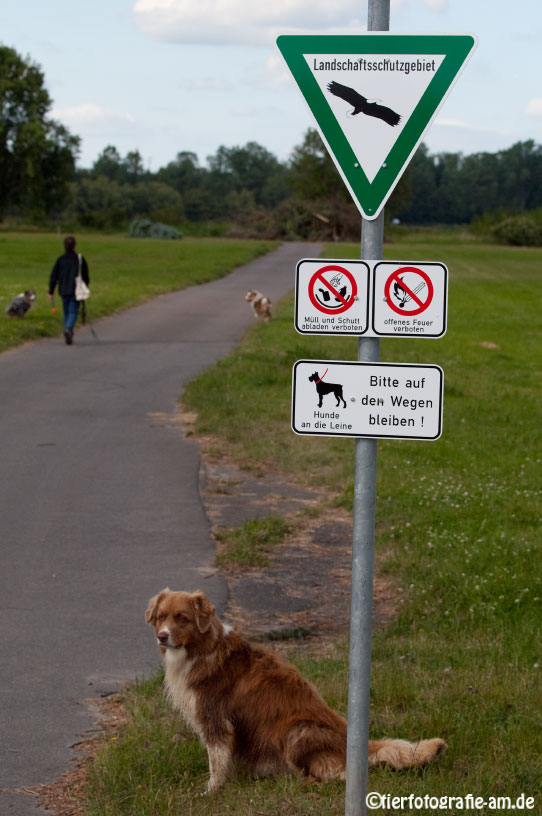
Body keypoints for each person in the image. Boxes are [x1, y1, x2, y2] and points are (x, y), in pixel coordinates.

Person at [48, 236, 90, 345]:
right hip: (75, 290)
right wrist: (85, 287)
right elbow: (85, 276)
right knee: (73, 311)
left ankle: (69, 332)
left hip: (63, 289)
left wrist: (51, 291)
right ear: (74, 247)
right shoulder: (80, 259)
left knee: (66, 311)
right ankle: (68, 328)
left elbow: (54, 276)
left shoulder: (60, 259)